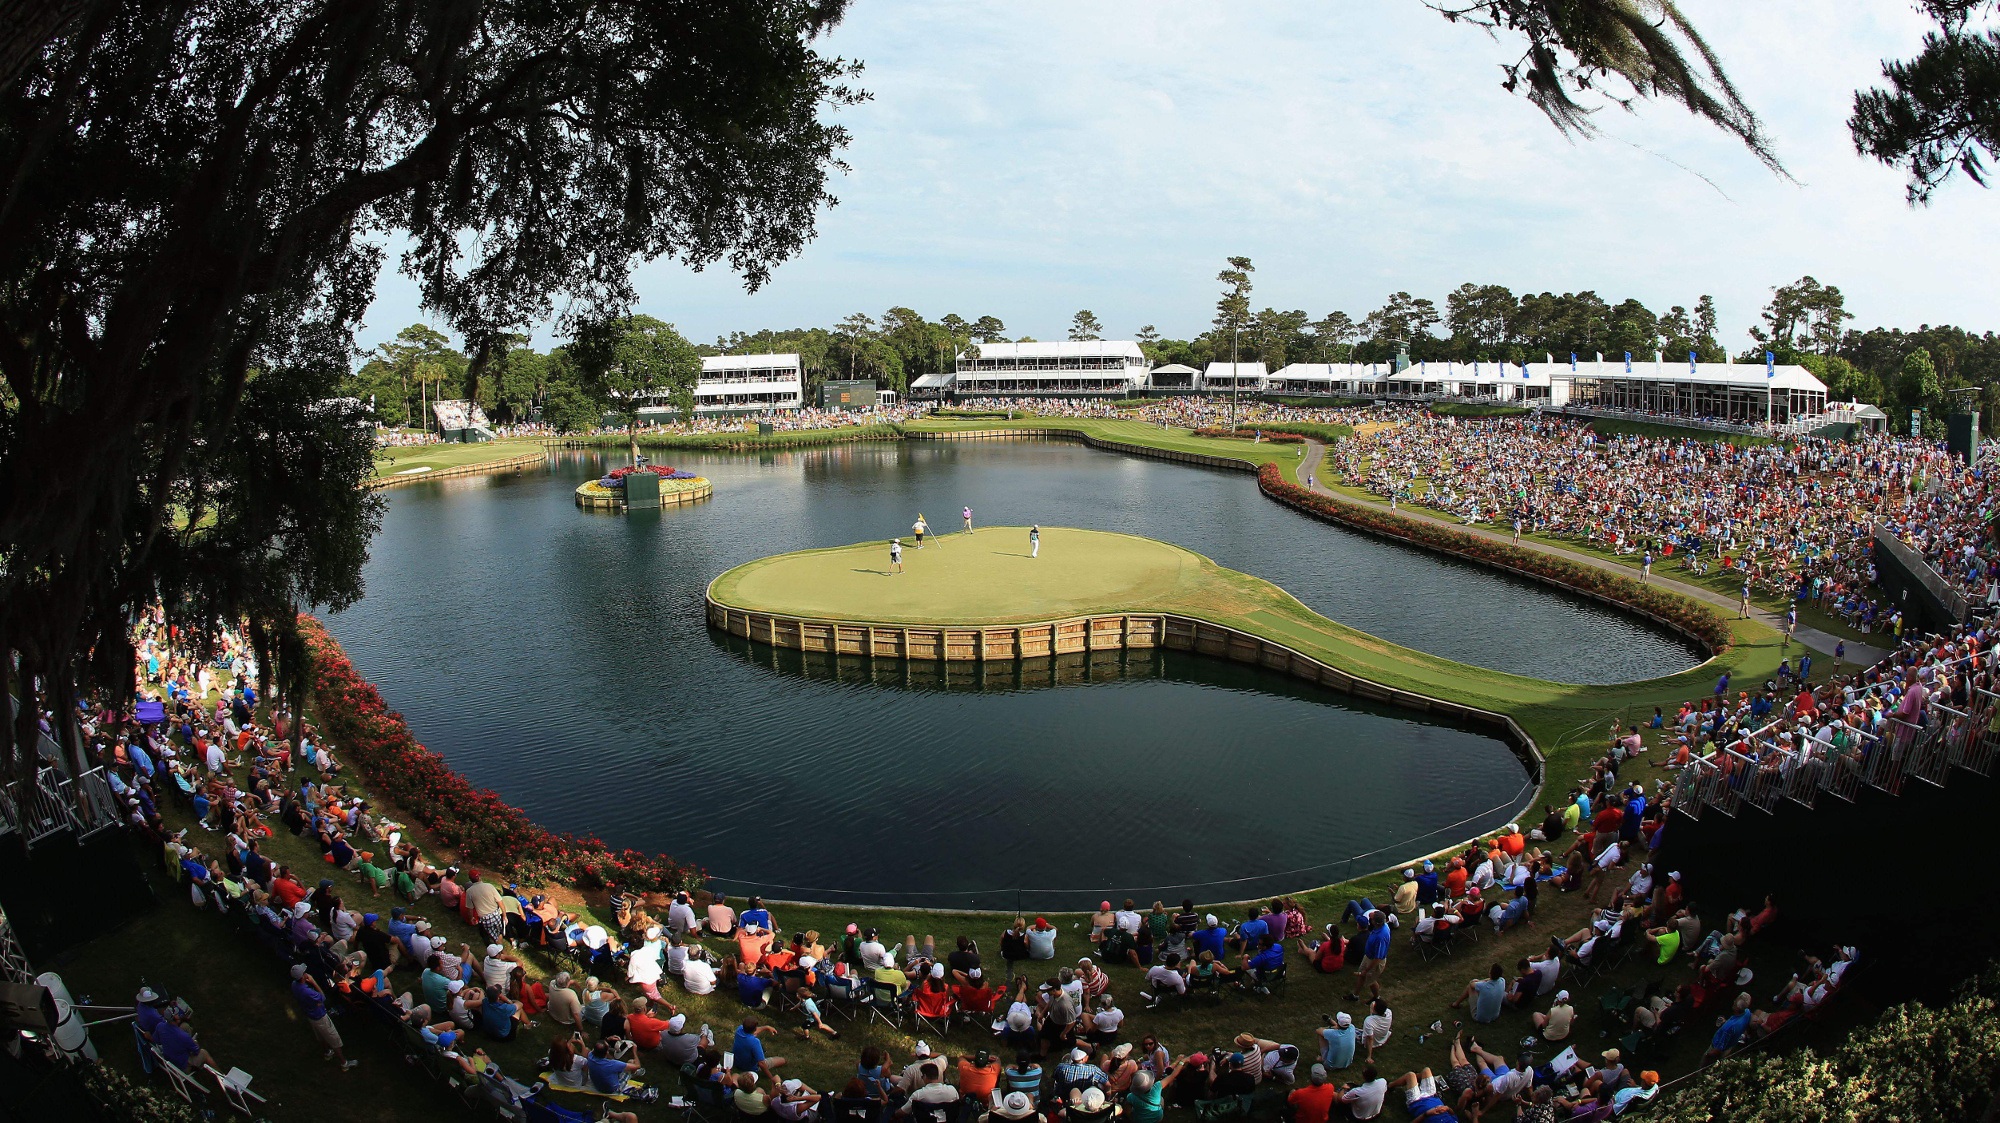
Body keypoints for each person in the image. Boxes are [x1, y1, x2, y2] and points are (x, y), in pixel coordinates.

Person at [290, 964, 356, 1070]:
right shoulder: (308, 992)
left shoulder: (294, 985)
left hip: (310, 1016)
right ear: (302, 977)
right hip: (320, 1017)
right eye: (304, 972)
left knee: (320, 1036)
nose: (307, 973)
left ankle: (327, 1052)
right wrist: (313, 982)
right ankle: (344, 1063)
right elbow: (322, 997)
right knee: (334, 1039)